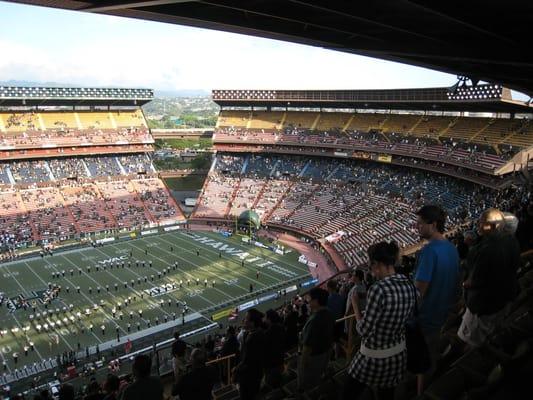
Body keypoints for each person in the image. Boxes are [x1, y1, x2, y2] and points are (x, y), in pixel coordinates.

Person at [344, 242, 417, 400]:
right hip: (398, 355)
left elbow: (363, 330)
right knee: (386, 395)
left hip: (374, 356)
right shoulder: (409, 284)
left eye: (370, 266)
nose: (371, 272)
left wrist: (356, 306)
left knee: (347, 393)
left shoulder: (378, 289)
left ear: (376, 263)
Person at [458, 208, 521, 348]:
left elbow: (473, 282)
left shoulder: (485, 250)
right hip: (504, 298)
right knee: (490, 331)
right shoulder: (513, 241)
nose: (479, 226)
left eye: (481, 223)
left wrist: (463, 285)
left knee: (469, 342)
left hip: (483, 306)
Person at [414, 205, 460, 384]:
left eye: (420, 223)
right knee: (429, 358)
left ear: (432, 224)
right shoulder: (451, 248)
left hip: (425, 318)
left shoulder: (429, 251)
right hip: (441, 315)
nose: (416, 227)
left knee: (421, 362)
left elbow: (419, 292)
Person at [298, 287, 335, 392]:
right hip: (324, 354)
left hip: (313, 358)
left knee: (306, 386)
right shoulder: (329, 313)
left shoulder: (315, 320)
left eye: (310, 298)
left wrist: (302, 364)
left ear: (316, 301)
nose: (308, 300)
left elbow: (307, 347)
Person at [233, 308, 265, 400]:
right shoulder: (258, 333)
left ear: (252, 322)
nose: (243, 320)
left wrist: (235, 371)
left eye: (246, 318)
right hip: (256, 375)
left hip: (248, 378)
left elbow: (246, 362)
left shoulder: (252, 339)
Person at [263, 309, 286, 389]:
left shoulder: (269, 332)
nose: (264, 319)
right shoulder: (281, 327)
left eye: (265, 317)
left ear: (269, 319)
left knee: (270, 385)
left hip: (271, 363)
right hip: (280, 359)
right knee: (278, 382)